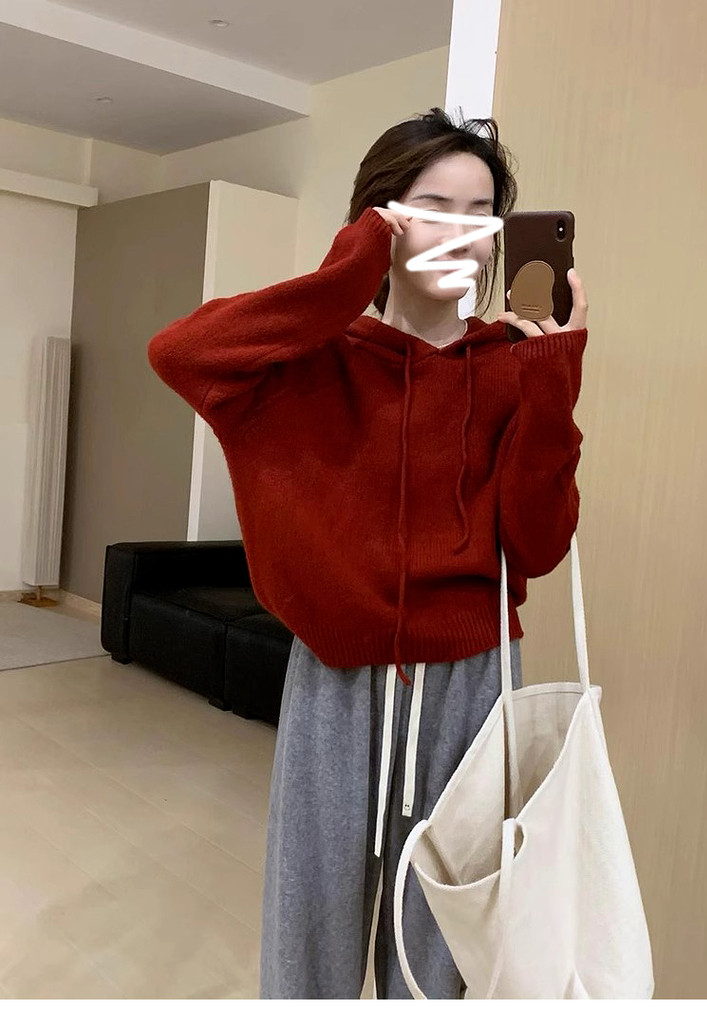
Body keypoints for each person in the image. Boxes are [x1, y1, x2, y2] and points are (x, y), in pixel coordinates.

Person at [147, 106, 588, 1000]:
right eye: (433, 207)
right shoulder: (311, 364)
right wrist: (347, 274)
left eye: (481, 213)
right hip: (338, 680)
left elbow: (538, 548)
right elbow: (182, 352)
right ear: (379, 220)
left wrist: (553, 383)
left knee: (444, 942)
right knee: (309, 927)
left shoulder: (511, 364)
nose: (460, 233)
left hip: (473, 684)